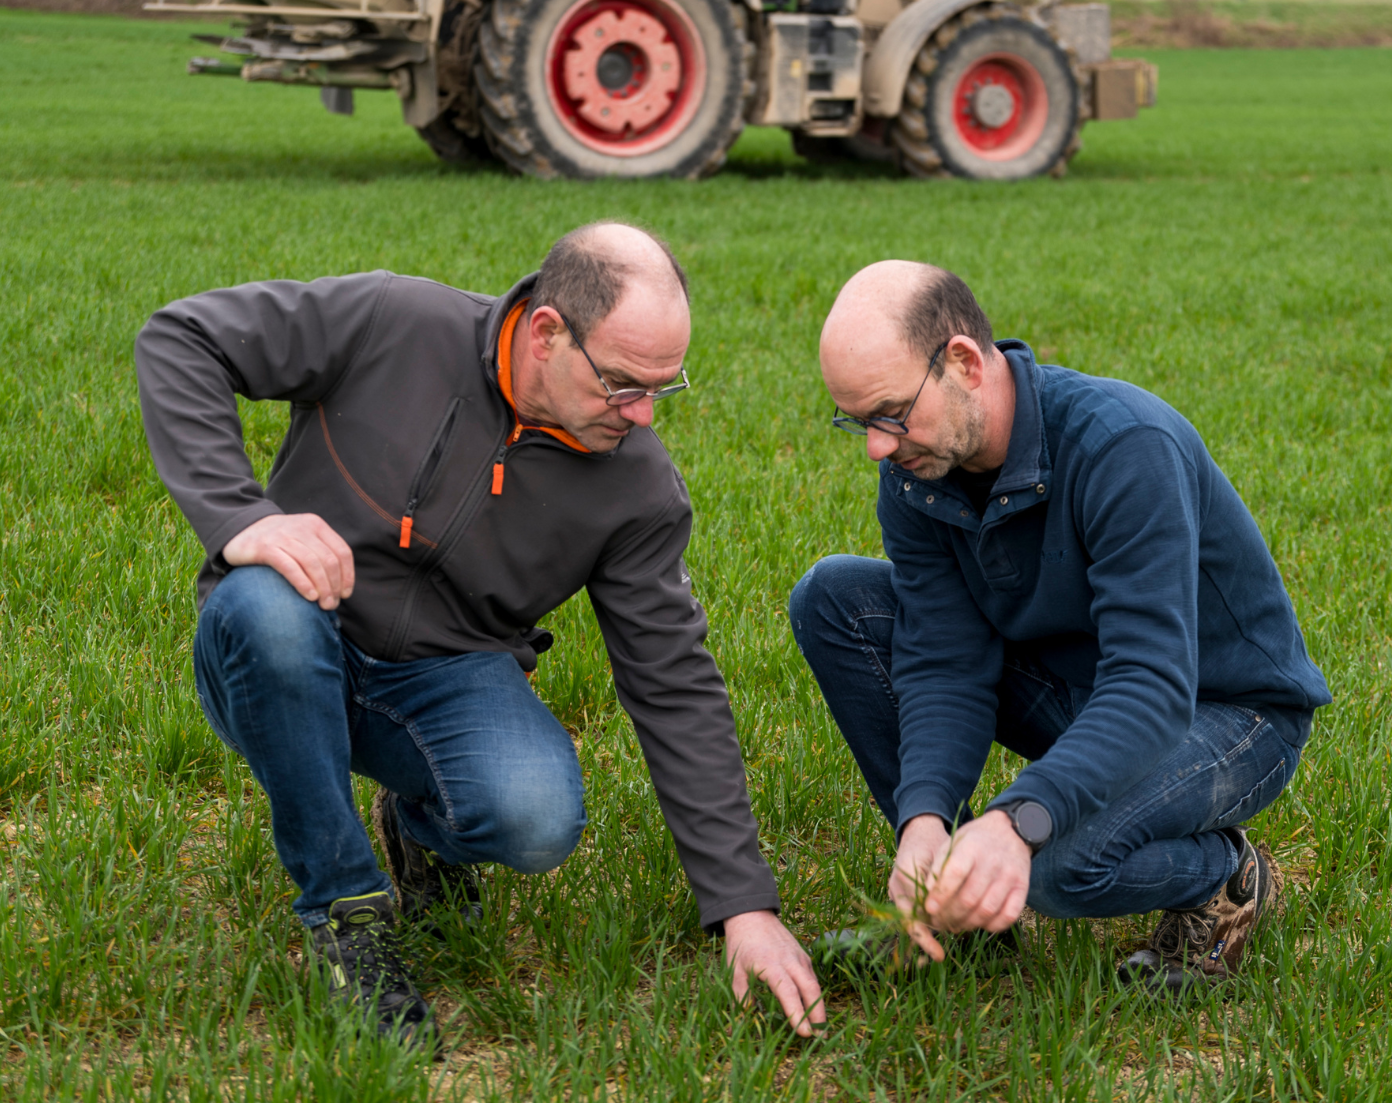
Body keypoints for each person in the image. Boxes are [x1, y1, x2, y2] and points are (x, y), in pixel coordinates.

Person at [136, 222, 824, 1045]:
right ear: (546, 333)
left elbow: (673, 684)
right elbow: (182, 336)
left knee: (536, 817)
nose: (641, 415)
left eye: (663, 388)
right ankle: (350, 916)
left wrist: (742, 905)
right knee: (265, 608)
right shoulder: (394, 321)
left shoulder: (638, 489)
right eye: (622, 384)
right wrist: (242, 517)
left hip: (443, 678)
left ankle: (417, 827)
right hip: (277, 644)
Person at [789, 261, 1331, 991]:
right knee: (834, 598)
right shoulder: (918, 473)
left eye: (890, 413)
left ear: (963, 363)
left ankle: (1224, 877)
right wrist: (925, 816)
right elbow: (945, 658)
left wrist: (1020, 819)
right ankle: (961, 906)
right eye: (857, 422)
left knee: (1056, 864)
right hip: (1079, 687)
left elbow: (1151, 683)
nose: (877, 447)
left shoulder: (1124, 446)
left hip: (1226, 713)